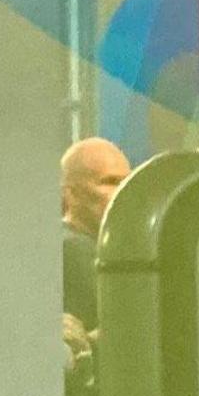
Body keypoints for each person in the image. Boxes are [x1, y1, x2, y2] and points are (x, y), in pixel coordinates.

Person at [57, 135, 128, 330]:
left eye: (127, 182)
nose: (123, 191)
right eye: (110, 182)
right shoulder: (75, 248)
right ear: (72, 194)